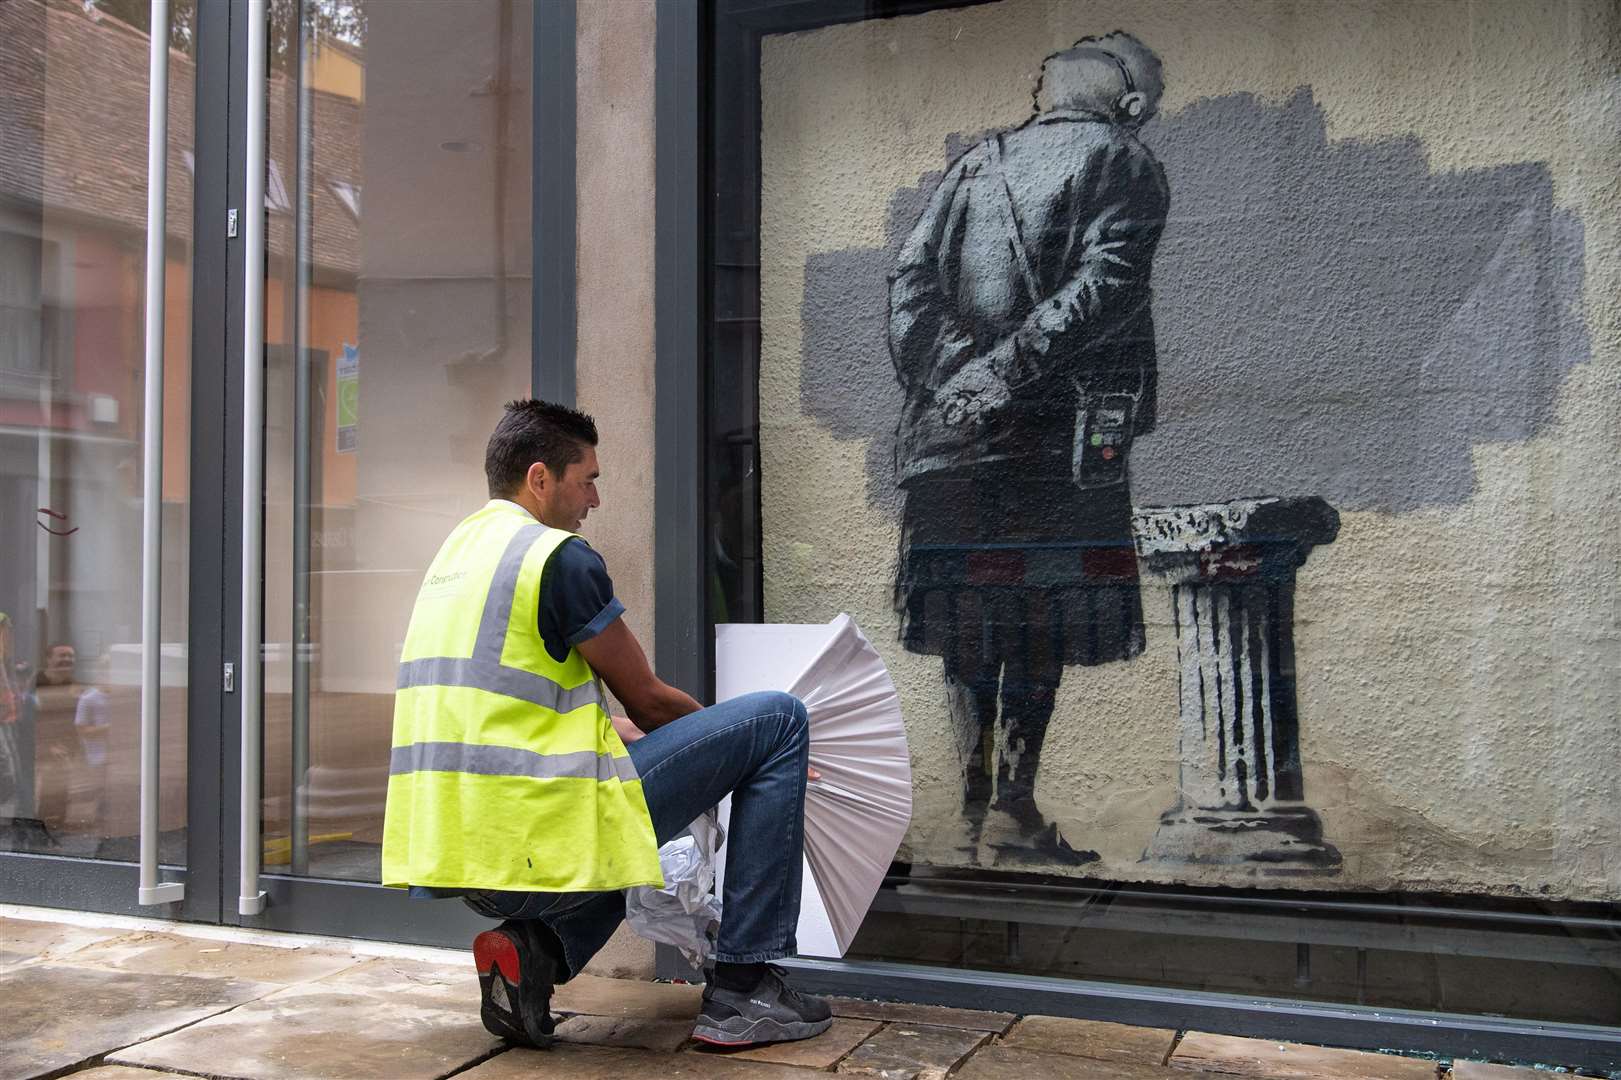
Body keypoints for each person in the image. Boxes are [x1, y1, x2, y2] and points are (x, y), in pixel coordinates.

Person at [382, 399, 832, 1049]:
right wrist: (731, 746)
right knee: (779, 720)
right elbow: (648, 700)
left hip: (460, 854)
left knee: (615, 796)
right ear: (540, 478)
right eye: (586, 478)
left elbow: (497, 707)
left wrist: (610, 730)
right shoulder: (557, 558)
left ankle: (530, 952)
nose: (594, 497)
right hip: (530, 846)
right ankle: (744, 988)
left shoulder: (457, 556)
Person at [887, 32, 1169, 868]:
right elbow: (1107, 285)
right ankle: (1010, 811)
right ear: (1126, 103)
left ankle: (975, 813)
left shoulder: (976, 164)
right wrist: (1004, 375)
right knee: (1038, 628)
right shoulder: (1125, 160)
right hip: (1057, 442)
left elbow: (909, 283)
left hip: (950, 445)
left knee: (968, 627)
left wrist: (954, 377)